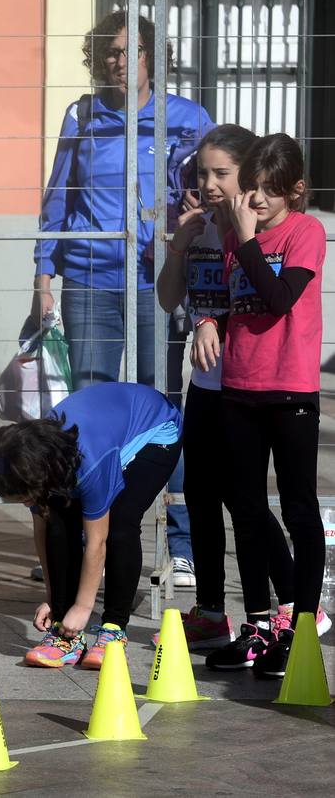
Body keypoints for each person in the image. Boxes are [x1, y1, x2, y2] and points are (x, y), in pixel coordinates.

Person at [31, 10, 210, 583]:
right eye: (107, 52)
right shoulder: (82, 115)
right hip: (89, 281)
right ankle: (80, 533)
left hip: (161, 284)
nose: (116, 60)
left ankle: (178, 544)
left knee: (162, 412)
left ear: (150, 56)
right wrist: (43, 275)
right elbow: (57, 195)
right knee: (88, 412)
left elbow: (209, 194)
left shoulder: (186, 119)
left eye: (128, 50)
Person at [155, 124, 299, 650]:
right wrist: (178, 248)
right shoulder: (198, 226)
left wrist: (213, 321)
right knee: (200, 494)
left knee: (247, 502)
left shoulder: (256, 230)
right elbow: (170, 299)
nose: (210, 183)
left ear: (249, 174)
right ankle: (212, 610)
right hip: (207, 386)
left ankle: (291, 607)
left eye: (222, 173)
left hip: (246, 385)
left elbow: (261, 303)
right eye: (202, 173)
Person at [202, 133, 328, 678]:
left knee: (299, 510)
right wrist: (209, 321)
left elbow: (278, 300)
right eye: (251, 189)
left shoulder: (307, 233)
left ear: (294, 192)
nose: (255, 200)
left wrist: (249, 241)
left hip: (290, 392)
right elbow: (234, 303)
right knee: (248, 509)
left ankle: (298, 630)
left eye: (269, 192)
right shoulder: (238, 237)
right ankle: (255, 625)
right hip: (240, 388)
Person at [0, 382, 182, 669]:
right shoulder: (30, 461)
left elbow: (97, 543)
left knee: (119, 522)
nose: (25, 503)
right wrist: (56, 601)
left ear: (37, 479)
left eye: (25, 497)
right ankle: (66, 637)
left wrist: (82, 607)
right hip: (103, 433)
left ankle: (113, 630)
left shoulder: (90, 463)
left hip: (154, 430)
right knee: (58, 521)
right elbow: (44, 531)